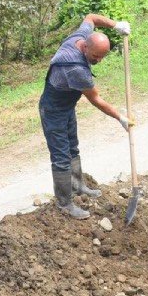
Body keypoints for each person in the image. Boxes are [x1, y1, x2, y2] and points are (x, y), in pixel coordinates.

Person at [41, 13, 133, 219]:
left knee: (73, 147)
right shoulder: (75, 68)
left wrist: (115, 25)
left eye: (102, 57)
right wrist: (121, 118)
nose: (98, 61)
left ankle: (78, 186)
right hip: (52, 110)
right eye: (95, 57)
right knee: (61, 156)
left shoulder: (79, 37)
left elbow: (91, 17)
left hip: (66, 106)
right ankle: (65, 204)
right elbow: (96, 99)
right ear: (85, 47)